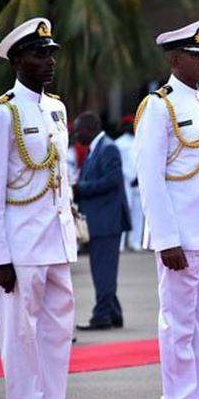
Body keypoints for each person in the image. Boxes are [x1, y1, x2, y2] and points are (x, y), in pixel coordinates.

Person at [0, 17, 77, 399]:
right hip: (20, 246)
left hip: (56, 240)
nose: (49, 61)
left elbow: (60, 178)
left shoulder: (56, 109)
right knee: (20, 338)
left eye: (51, 54)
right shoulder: (2, 113)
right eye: (39, 54)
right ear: (17, 62)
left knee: (57, 334)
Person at [134, 20, 199, 399]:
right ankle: (178, 395)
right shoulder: (159, 106)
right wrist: (165, 239)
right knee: (178, 324)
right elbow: (151, 178)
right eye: (197, 56)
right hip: (180, 236)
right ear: (176, 59)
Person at [73, 112, 130, 330]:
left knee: (103, 271)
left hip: (106, 221)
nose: (75, 134)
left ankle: (101, 316)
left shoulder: (108, 148)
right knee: (101, 269)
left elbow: (113, 180)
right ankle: (114, 313)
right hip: (99, 220)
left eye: (78, 130)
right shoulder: (98, 148)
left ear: (90, 128)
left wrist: (81, 188)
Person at [115, 114, 144, 252]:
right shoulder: (118, 143)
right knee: (124, 212)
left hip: (139, 182)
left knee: (139, 213)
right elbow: (118, 164)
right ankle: (120, 244)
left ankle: (135, 242)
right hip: (126, 181)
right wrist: (130, 176)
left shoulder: (140, 140)